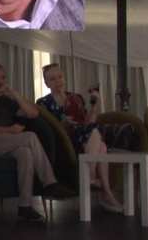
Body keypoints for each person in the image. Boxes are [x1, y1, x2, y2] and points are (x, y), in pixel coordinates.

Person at [0, 64, 75, 222]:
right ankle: (50, 183)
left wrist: (14, 94)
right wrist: (9, 131)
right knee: (29, 137)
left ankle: (25, 206)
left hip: (8, 144)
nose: (0, 81)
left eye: (3, 77)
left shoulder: (7, 102)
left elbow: (33, 114)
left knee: (26, 153)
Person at [36, 63, 124, 213]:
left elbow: (88, 122)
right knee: (99, 143)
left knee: (99, 142)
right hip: (65, 141)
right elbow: (47, 130)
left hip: (84, 136)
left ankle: (103, 190)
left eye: (60, 77)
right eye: (52, 79)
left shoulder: (76, 98)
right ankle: (100, 187)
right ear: (46, 83)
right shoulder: (43, 102)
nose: (58, 81)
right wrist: (62, 124)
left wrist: (95, 105)